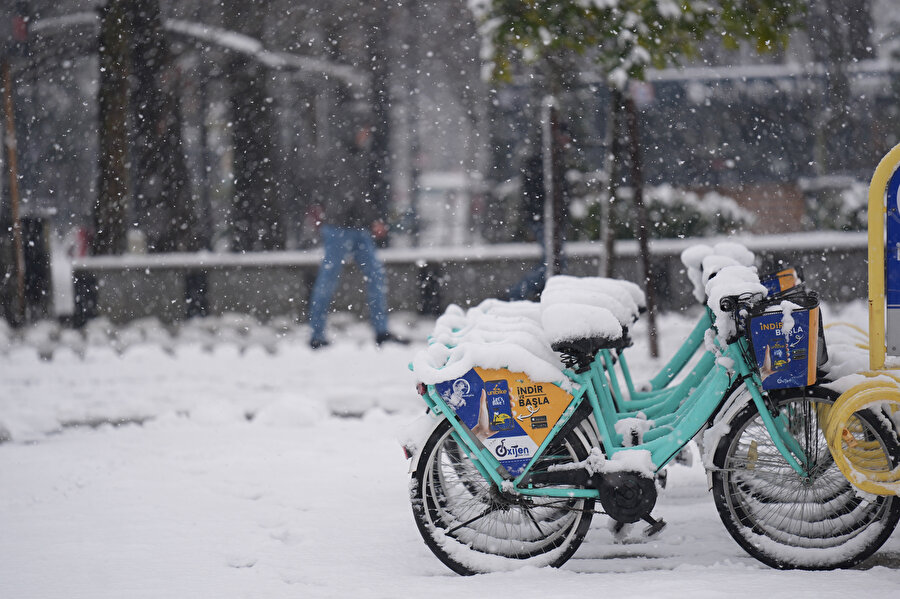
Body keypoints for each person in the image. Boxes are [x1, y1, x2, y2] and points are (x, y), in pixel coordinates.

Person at [308, 113, 407, 349]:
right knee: (332, 280)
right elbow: (352, 194)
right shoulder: (342, 157)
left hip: (355, 227)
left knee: (373, 276)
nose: (366, 136)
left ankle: (380, 330)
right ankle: (317, 333)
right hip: (340, 228)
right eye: (363, 131)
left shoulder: (354, 156)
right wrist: (374, 220)